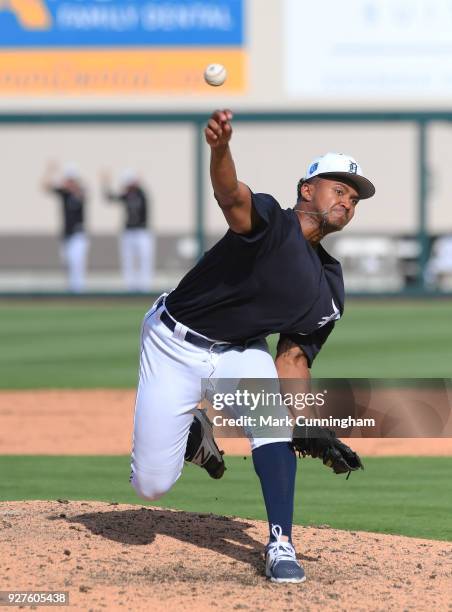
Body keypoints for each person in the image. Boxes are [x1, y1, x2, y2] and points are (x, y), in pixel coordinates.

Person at [129, 109, 375, 583]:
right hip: (171, 343)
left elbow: (293, 356)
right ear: (307, 189)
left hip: (239, 352)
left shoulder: (329, 283)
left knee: (272, 425)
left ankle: (281, 543)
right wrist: (220, 150)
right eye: (337, 187)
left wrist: (306, 422)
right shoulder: (270, 221)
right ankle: (197, 435)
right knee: (152, 485)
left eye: (354, 195)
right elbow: (230, 195)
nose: (347, 198)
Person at [101, 170, 154, 292]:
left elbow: (139, 196)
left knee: (144, 259)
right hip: (128, 232)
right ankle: (130, 287)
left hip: (142, 232)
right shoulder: (127, 196)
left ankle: (145, 287)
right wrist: (105, 183)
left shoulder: (141, 194)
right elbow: (110, 198)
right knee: (128, 259)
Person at [42, 161, 89, 293]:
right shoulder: (64, 193)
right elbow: (45, 186)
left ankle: (79, 290)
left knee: (77, 263)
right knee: (67, 264)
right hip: (66, 235)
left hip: (78, 235)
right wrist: (50, 171)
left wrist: (73, 187)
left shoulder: (81, 191)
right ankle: (70, 291)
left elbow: (82, 195)